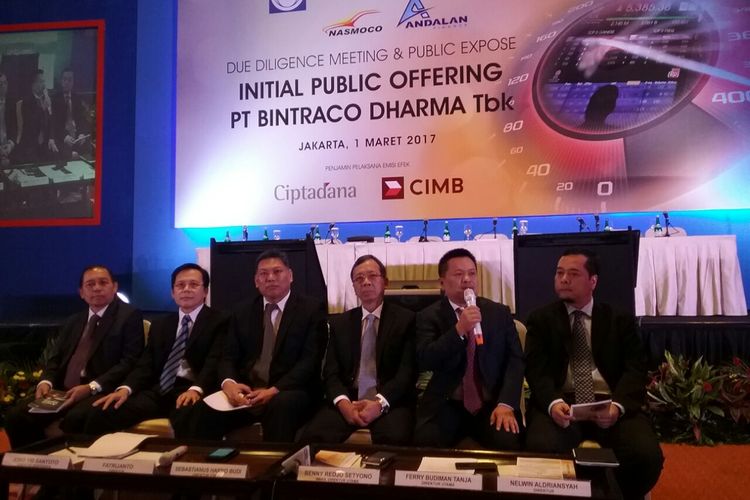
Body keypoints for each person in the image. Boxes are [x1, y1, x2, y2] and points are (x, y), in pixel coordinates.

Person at [524, 248, 663, 499]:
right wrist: (553, 404)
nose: (564, 279)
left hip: (609, 403)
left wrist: (617, 407)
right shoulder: (541, 320)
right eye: (559, 273)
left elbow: (635, 369)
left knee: (645, 455)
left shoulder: (619, 319)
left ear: (593, 281)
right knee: (540, 449)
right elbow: (536, 372)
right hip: (562, 404)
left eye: (573, 274)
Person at [181, 249, 327, 442]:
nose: (270, 278)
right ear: (256, 281)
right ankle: (209, 461)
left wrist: (273, 391)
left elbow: (310, 362)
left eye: (277, 272)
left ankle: (276, 461)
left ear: (290, 275)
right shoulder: (242, 311)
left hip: (290, 390)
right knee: (202, 410)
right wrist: (229, 384)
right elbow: (228, 356)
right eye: (263, 274)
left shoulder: (311, 309)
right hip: (248, 391)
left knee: (281, 406)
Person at [80, 263, 228, 438]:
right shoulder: (161, 324)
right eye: (180, 285)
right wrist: (125, 389)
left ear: (205, 291)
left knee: (190, 417)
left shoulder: (220, 321)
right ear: (173, 292)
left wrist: (196, 389)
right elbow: (145, 365)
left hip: (192, 390)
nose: (186, 289)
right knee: (104, 410)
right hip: (159, 390)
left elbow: (214, 362)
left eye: (193, 285)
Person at [4, 265, 144, 448]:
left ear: (115, 287)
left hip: (98, 389)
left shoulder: (129, 316)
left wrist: (91, 387)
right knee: (16, 417)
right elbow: (55, 358)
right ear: (81, 293)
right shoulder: (74, 321)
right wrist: (46, 382)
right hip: (62, 392)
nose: (97, 288)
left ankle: (67, 463)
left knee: (76, 418)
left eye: (103, 283)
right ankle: (37, 461)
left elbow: (129, 362)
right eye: (90, 284)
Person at [413, 248, 524, 449]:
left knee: (509, 442)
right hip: (447, 402)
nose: (467, 280)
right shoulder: (428, 316)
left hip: (492, 403)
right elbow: (426, 358)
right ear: (442, 282)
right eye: (458, 274)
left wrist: (506, 403)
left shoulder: (499, 312)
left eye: (472, 273)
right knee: (426, 442)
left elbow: (515, 360)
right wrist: (459, 330)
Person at [302, 255, 416, 445]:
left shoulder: (406, 320)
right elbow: (331, 373)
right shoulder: (340, 323)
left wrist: (379, 404)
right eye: (359, 278)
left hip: (390, 400)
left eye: (372, 276)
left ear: (385, 282)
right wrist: (343, 403)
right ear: (354, 287)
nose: (366, 282)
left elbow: (407, 373)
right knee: (313, 437)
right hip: (350, 399)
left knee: (395, 438)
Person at [15, 69, 58, 164]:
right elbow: (31, 124)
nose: (44, 85)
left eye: (44, 81)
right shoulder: (26, 101)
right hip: (31, 144)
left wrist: (51, 138)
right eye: (41, 82)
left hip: (45, 143)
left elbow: (51, 122)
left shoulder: (46, 100)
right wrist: (43, 107)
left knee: (57, 156)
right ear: (33, 84)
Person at [51, 68, 90, 161]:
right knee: (65, 153)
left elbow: (82, 119)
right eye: (65, 79)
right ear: (61, 81)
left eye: (70, 80)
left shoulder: (77, 98)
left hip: (77, 137)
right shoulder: (55, 99)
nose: (67, 82)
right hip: (62, 138)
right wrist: (65, 136)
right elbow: (54, 123)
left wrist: (81, 134)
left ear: (73, 82)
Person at [0, 71, 17, 167]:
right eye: (0, 84)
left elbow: (17, 128)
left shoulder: (13, 104)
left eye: (5, 83)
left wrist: (10, 144)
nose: (3, 86)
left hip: (10, 148)